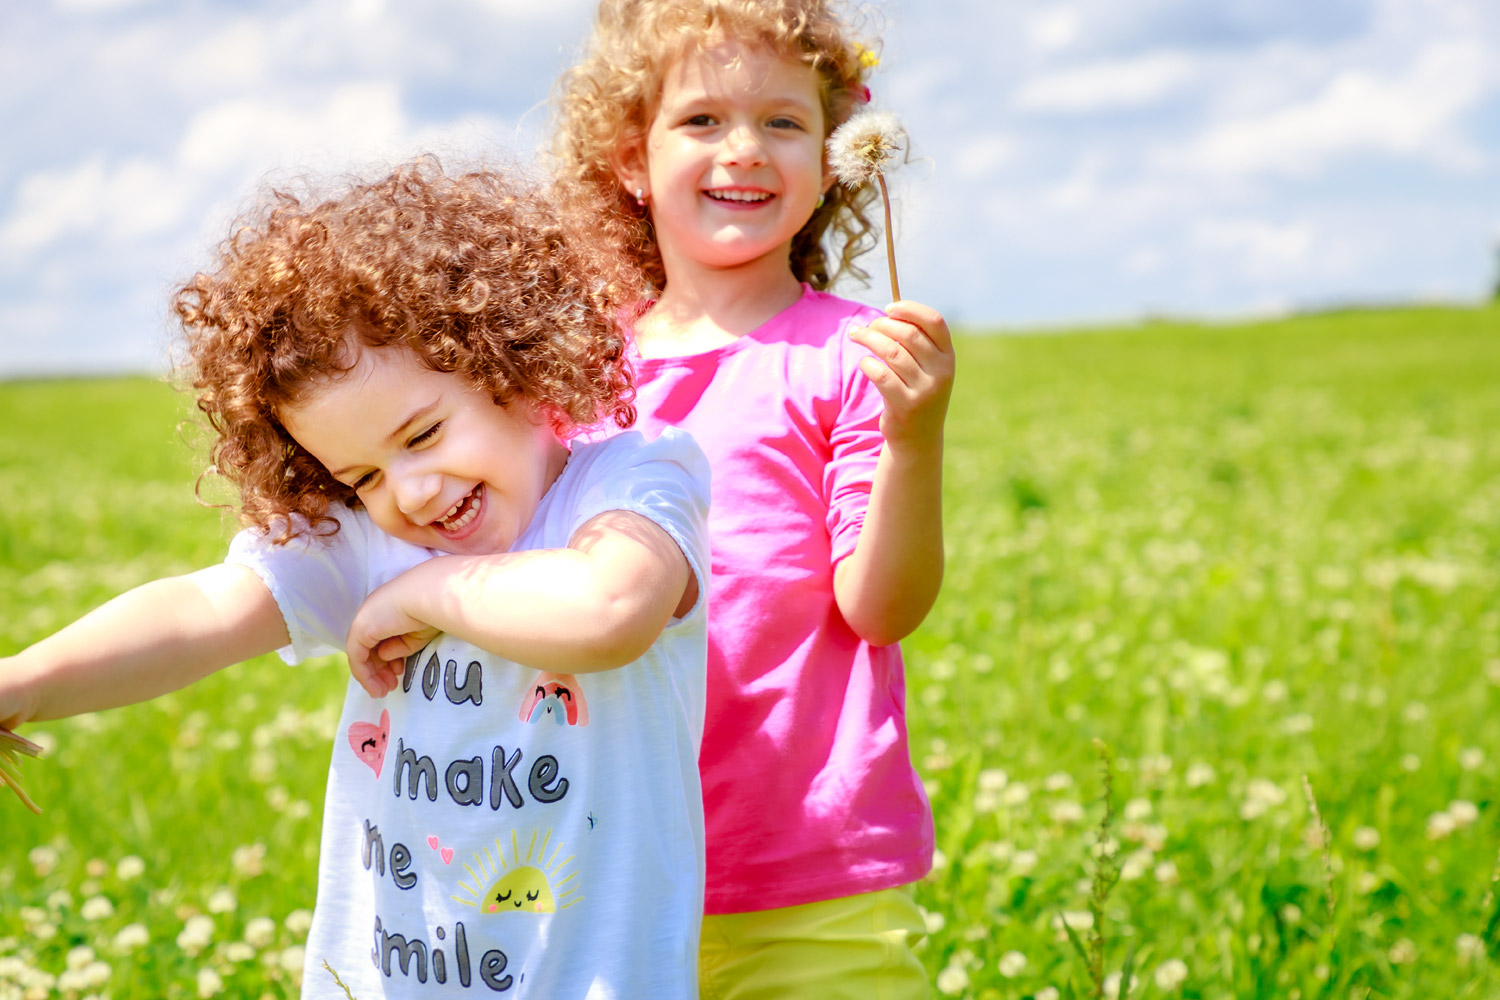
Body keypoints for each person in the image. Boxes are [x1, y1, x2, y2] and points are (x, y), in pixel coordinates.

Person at [0, 160, 712, 999]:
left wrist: (421, 596)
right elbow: (203, 608)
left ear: (512, 365)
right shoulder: (372, 539)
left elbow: (610, 610)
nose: (406, 493)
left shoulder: (630, 482)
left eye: (423, 434)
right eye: (361, 475)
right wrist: (23, 681)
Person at [552, 2, 955, 996]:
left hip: (808, 858)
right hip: (604, 855)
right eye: (701, 121)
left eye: (784, 122)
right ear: (629, 161)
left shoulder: (854, 357)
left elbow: (881, 607)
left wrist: (916, 437)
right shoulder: (570, 376)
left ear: (832, 162)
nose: (746, 149)